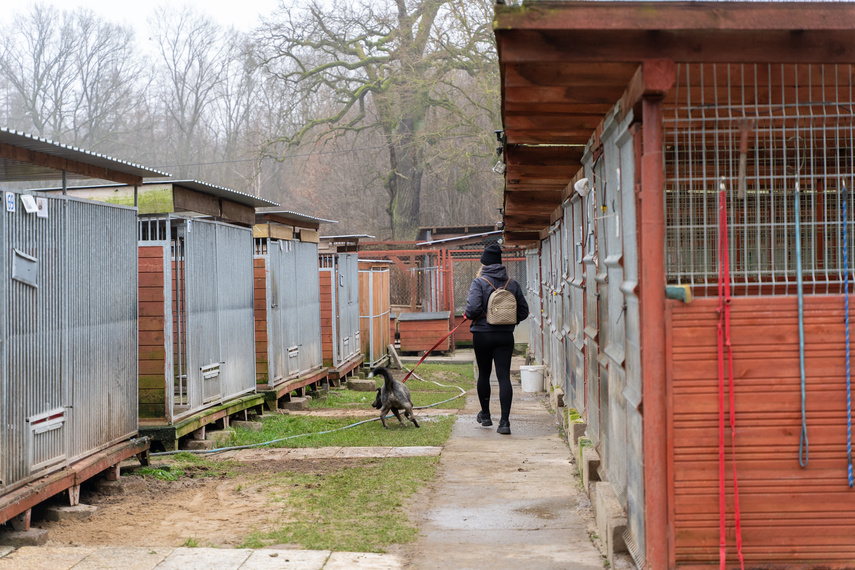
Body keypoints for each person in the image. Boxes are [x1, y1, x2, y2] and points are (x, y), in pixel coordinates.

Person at [464, 243, 529, 435]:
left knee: (484, 374)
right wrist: (509, 321)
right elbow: (524, 311)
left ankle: (485, 416)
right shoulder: (512, 283)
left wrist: (472, 315)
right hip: (504, 336)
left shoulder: (479, 283)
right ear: (499, 263)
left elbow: (472, 309)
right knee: (503, 376)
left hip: (482, 335)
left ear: (484, 263)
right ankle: (505, 423)